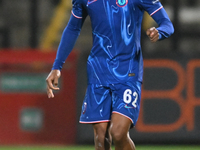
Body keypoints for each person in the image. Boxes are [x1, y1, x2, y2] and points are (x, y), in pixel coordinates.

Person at [46, 0, 174, 149]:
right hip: (98, 71)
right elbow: (73, 28)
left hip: (128, 71)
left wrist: (160, 32)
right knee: (101, 138)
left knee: (118, 133)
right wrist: (57, 66)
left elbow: (167, 24)